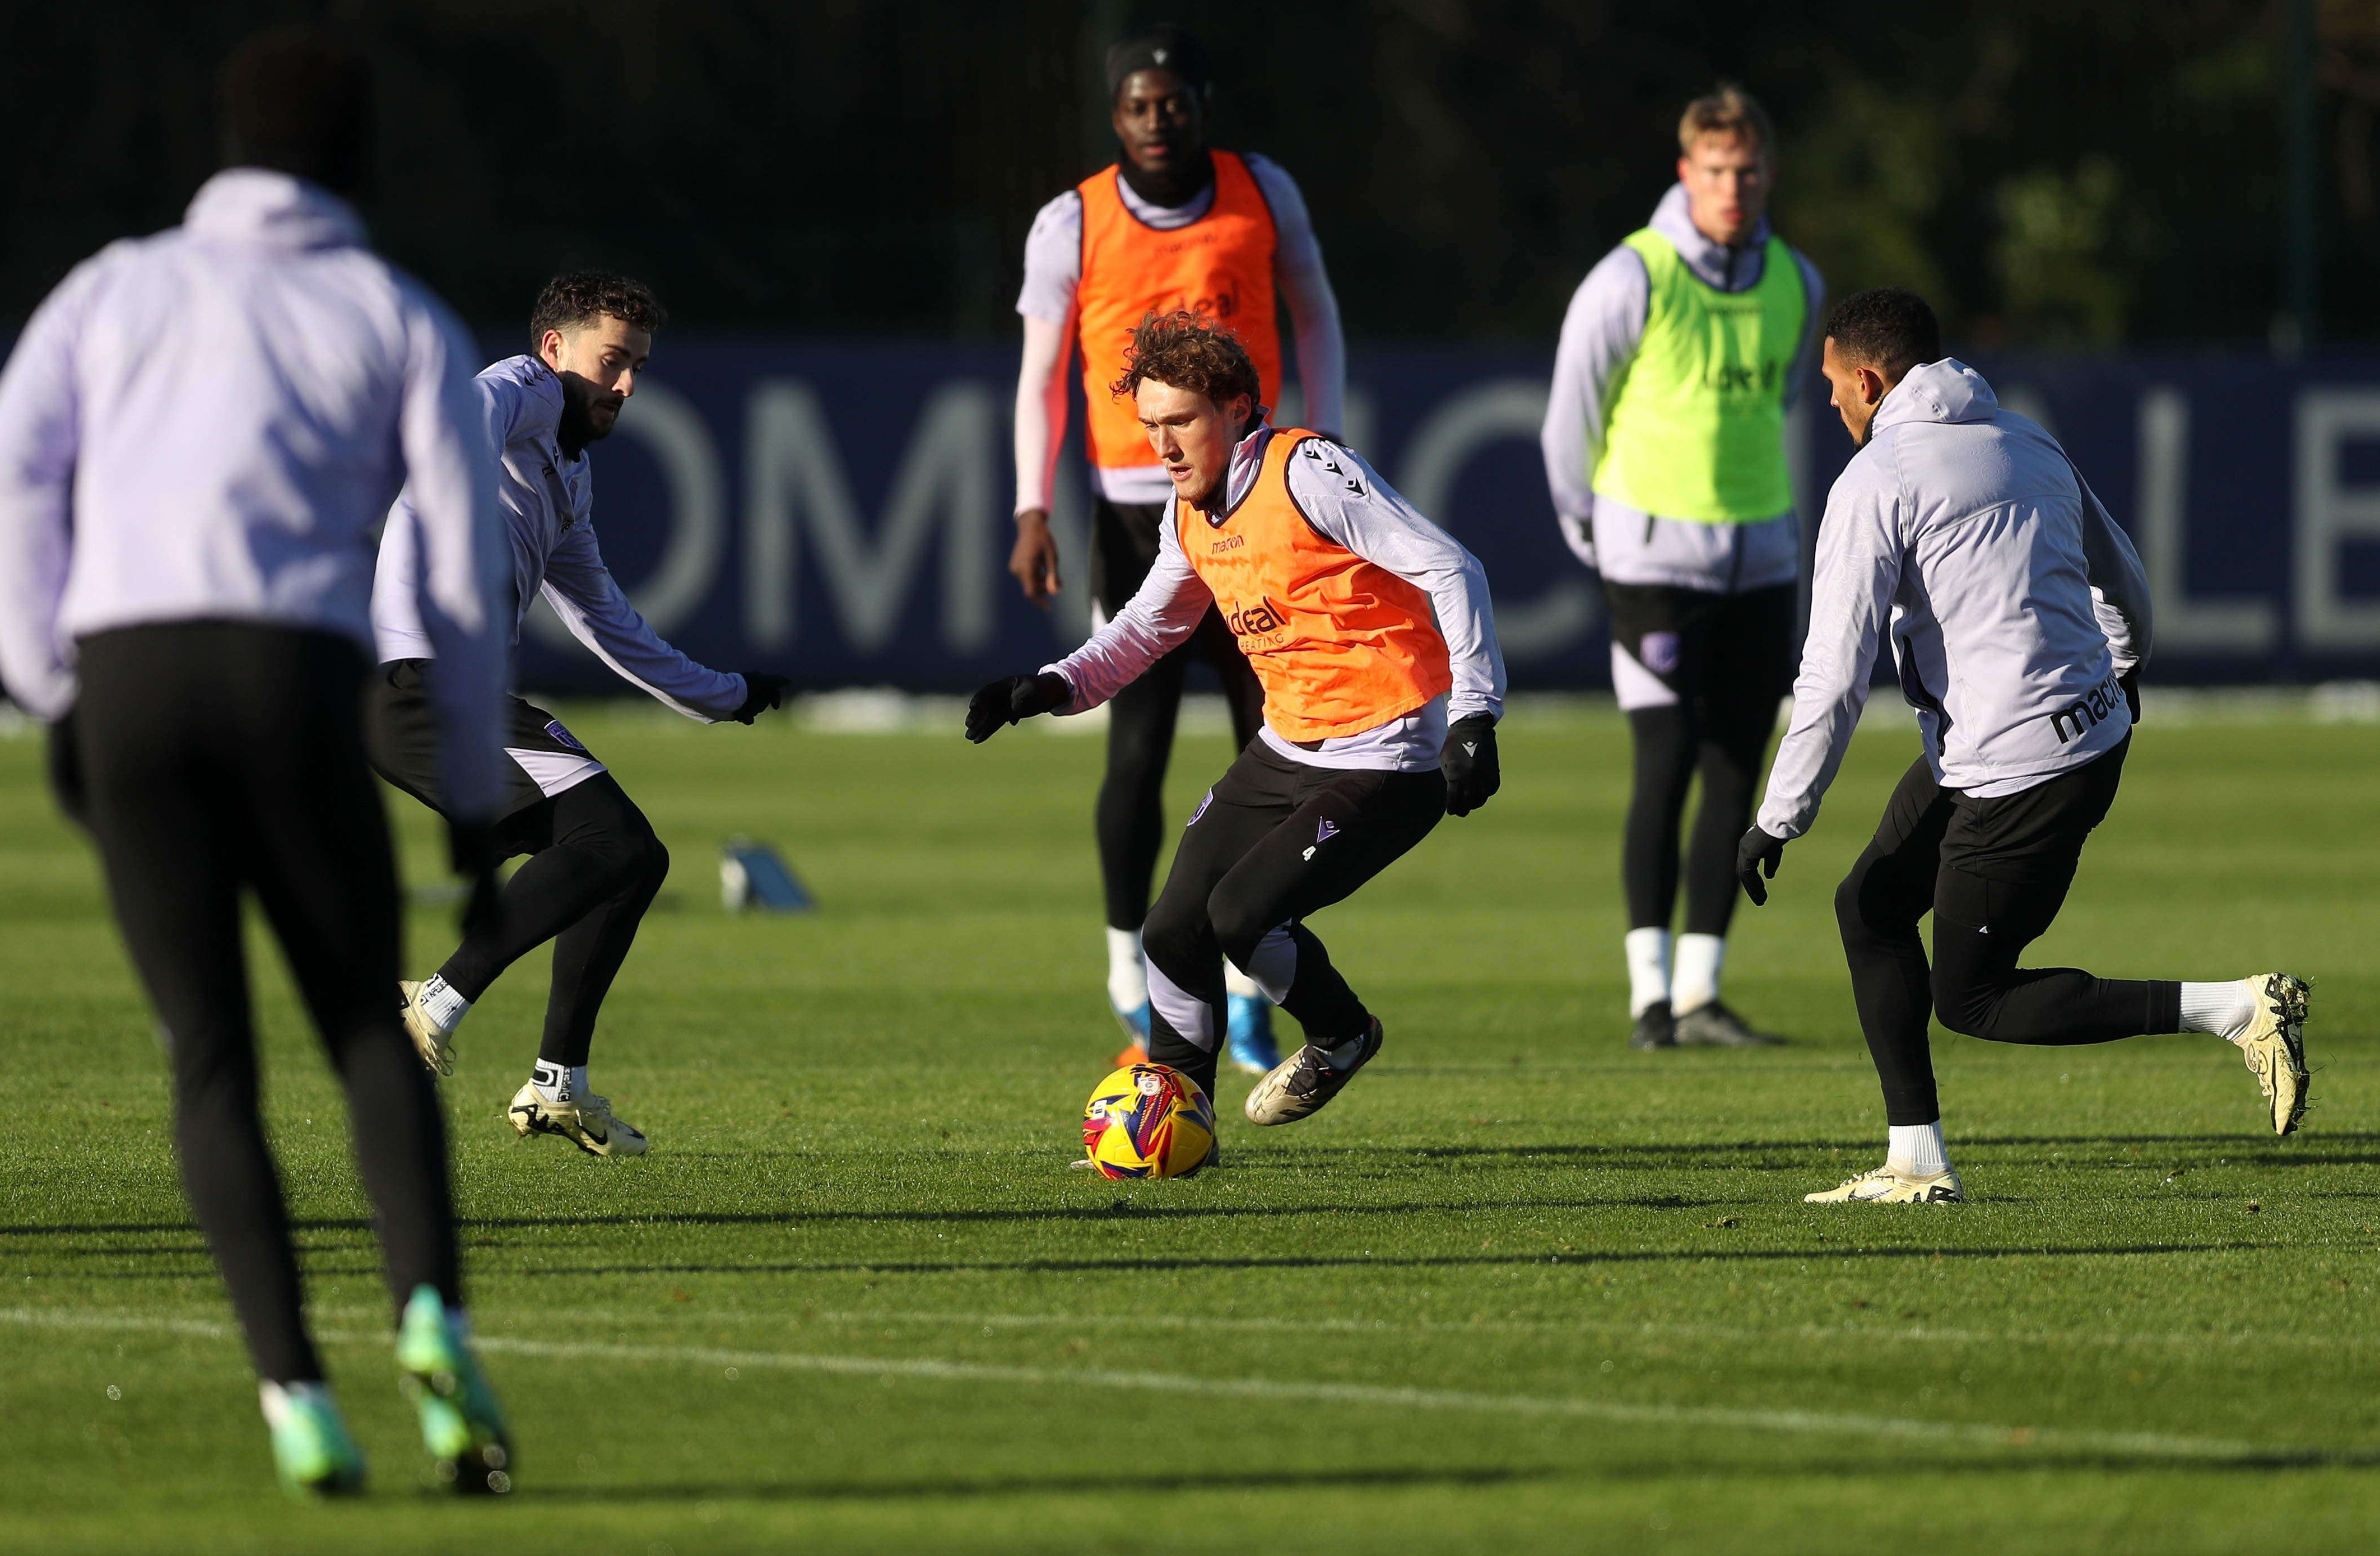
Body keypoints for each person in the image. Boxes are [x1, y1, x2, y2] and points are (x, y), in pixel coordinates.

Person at [0, 31, 515, 1497]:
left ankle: (293, 1398)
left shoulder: (116, 283)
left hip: (130, 680)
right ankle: (433, 1327)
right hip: (291, 674)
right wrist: (466, 786)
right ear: (360, 156)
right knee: (352, 1032)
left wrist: (52, 685)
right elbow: (457, 577)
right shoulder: (394, 312)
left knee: (211, 1060)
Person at [1736, 287, 2311, 1204]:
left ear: (1872, 380)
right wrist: (2125, 666)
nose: (1831, 402)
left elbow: (1832, 674)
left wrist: (1777, 817)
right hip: (2059, 740)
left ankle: (2236, 1008)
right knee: (1871, 906)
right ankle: (1915, 1162)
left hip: (2019, 773)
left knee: (1973, 1000)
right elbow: (2120, 575)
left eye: (1835, 384)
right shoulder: (2021, 437)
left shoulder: (1875, 480)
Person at [969, 310, 1503, 1126]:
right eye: (1148, 425)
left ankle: (1342, 1032)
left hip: (1384, 758)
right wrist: (1048, 687)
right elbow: (1146, 626)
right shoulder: (1186, 513)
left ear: (1238, 410)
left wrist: (1474, 714)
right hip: (1283, 750)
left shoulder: (1307, 471)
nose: (1162, 445)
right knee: (1171, 931)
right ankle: (1177, 1125)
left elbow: (1451, 564)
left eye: (1180, 421)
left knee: (1240, 915)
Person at [367, 271, 789, 1157]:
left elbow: (608, 626)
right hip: (417, 682)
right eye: (611, 361)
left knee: (629, 862)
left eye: (636, 366)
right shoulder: (517, 389)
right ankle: (429, 1004)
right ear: (555, 350)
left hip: (448, 694)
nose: (626, 385)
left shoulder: (568, 479)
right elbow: (459, 428)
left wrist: (727, 696)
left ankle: (560, 1085)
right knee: (618, 845)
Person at [1008, 22, 1348, 1074]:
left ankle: (1250, 970)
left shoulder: (1262, 190)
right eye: (1135, 105)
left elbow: (1316, 317)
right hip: (1128, 512)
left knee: (1277, 740)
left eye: (1172, 100)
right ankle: (1130, 970)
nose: (1156, 119)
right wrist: (1032, 507)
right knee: (1139, 745)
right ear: (1114, 116)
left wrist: (1318, 441)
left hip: (1255, 496)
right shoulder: (1072, 220)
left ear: (1201, 101)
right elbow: (1038, 373)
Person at [1541, 84, 1821, 1049]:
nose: (1731, 187)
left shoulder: (1796, 281)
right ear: (1684, 173)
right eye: (1714, 171)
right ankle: (1647, 997)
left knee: (1736, 768)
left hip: (1762, 560)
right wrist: (1594, 533)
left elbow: (1787, 400)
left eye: (1746, 171)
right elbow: (1570, 416)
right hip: (1651, 560)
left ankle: (1700, 993)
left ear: (1767, 173)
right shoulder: (1633, 278)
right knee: (1661, 764)